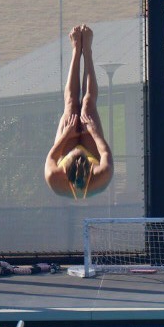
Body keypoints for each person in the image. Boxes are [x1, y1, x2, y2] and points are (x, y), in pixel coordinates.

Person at [45, 25, 114, 200]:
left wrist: (66, 135)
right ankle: (87, 51)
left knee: (71, 105)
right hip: (93, 155)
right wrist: (93, 131)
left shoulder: (55, 178)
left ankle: (76, 49)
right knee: (88, 105)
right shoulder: (101, 176)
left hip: (65, 151)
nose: (78, 153)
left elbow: (51, 156)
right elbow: (105, 153)